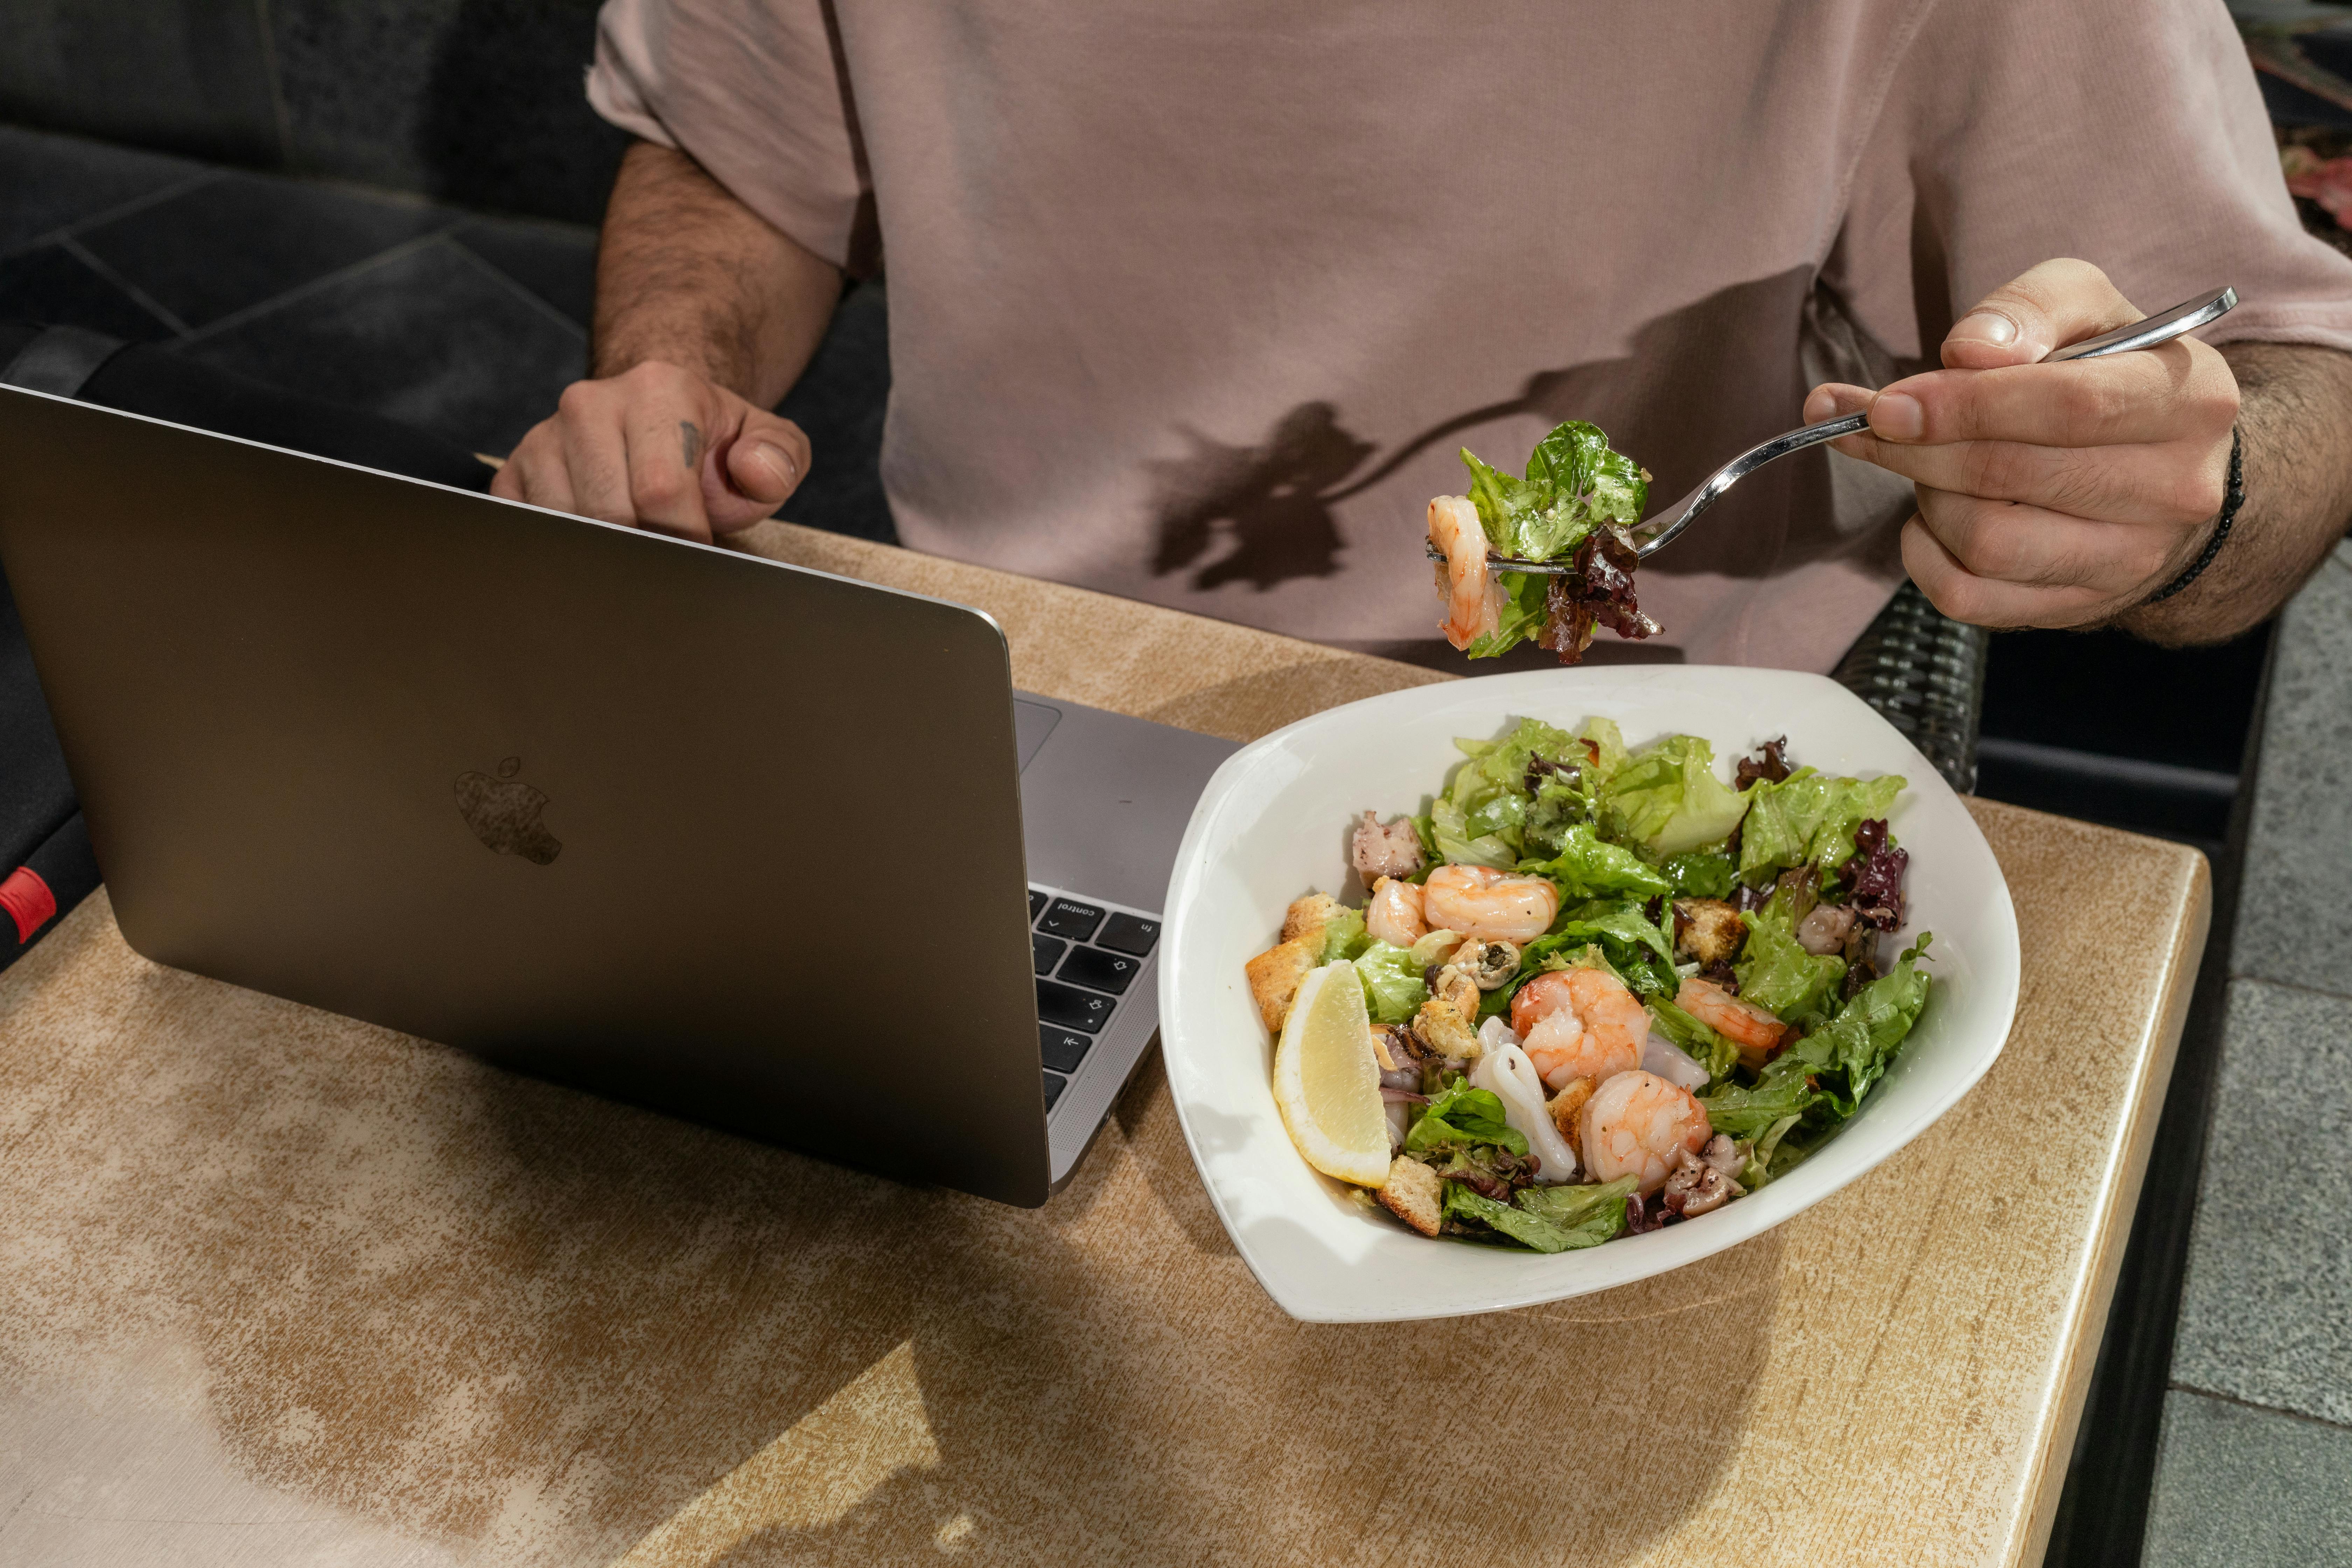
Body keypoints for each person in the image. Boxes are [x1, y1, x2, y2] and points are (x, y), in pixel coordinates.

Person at [491, 1, 2352, 668]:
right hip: (1011, 692)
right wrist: (680, 381)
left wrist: (2188, 499)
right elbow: (734, 154)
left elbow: (2298, 381)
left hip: (1676, 727)